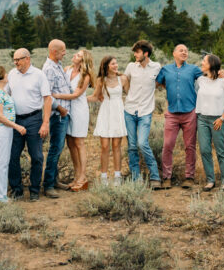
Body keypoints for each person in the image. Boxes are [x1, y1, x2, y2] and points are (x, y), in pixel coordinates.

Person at [7, 48, 52, 201]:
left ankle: (34, 190)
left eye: (18, 59)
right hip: (15, 120)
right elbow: (5, 93)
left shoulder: (39, 75)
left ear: (27, 59)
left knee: (37, 156)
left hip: (34, 119)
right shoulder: (12, 74)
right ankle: (16, 189)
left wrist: (45, 123)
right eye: (14, 60)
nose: (15, 62)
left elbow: (47, 99)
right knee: (12, 156)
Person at [156, 43, 203, 188]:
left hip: (190, 113)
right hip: (172, 113)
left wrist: (220, 73)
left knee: (190, 146)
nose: (184, 52)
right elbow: (158, 83)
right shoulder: (165, 69)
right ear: (174, 53)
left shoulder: (194, 69)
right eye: (181, 50)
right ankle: (167, 177)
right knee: (167, 145)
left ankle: (189, 177)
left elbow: (208, 78)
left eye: (186, 51)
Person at [123, 40, 163, 189]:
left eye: (137, 52)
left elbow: (162, 82)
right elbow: (124, 80)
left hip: (146, 111)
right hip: (129, 110)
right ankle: (136, 178)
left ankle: (155, 177)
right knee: (132, 146)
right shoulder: (131, 67)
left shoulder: (156, 67)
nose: (135, 55)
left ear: (145, 53)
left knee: (142, 143)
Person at [53, 48, 93, 191]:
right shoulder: (67, 69)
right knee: (70, 142)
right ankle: (76, 176)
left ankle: (83, 177)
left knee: (79, 142)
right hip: (67, 109)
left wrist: (56, 96)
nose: (74, 55)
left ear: (83, 60)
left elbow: (76, 95)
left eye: (78, 55)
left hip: (79, 110)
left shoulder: (86, 75)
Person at [194, 53, 224, 191]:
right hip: (202, 119)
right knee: (205, 150)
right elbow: (195, 96)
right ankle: (210, 180)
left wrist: (222, 118)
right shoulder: (200, 80)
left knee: (221, 151)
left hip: (218, 119)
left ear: (211, 64)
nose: (202, 62)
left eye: (204, 61)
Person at [0, 65, 25, 203]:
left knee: (3, 161)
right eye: (5, 73)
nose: (8, 74)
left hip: (5, 128)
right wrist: (17, 126)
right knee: (2, 162)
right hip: (1, 128)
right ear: (1, 77)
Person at [41, 39, 70, 198]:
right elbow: (47, 95)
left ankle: (55, 179)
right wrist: (60, 109)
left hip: (62, 114)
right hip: (57, 116)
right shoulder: (49, 69)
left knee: (58, 148)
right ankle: (48, 185)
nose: (65, 53)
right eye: (63, 50)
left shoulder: (57, 65)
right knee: (55, 149)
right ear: (54, 51)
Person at [92, 55, 128, 186]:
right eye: (113, 64)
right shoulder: (101, 80)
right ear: (106, 66)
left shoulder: (123, 79)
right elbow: (95, 97)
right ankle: (104, 176)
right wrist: (78, 98)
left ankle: (117, 175)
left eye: (116, 63)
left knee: (117, 146)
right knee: (105, 146)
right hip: (105, 112)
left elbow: (130, 95)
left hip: (118, 112)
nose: (116, 65)